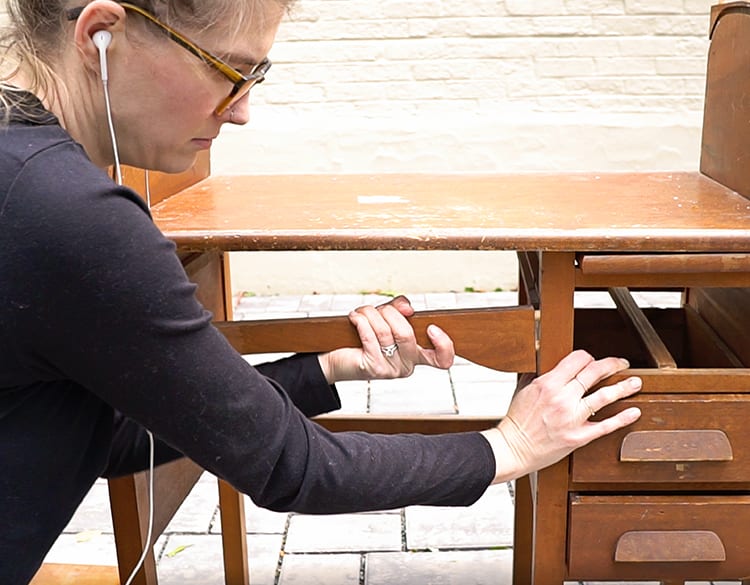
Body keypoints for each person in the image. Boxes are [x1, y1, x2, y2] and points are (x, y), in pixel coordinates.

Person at [0, 1, 643, 582]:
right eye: (230, 70)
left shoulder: (23, 181)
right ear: (101, 35)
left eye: (256, 77)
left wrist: (327, 368)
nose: (243, 108)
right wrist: (509, 446)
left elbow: (105, 436)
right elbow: (290, 467)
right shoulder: (71, 217)